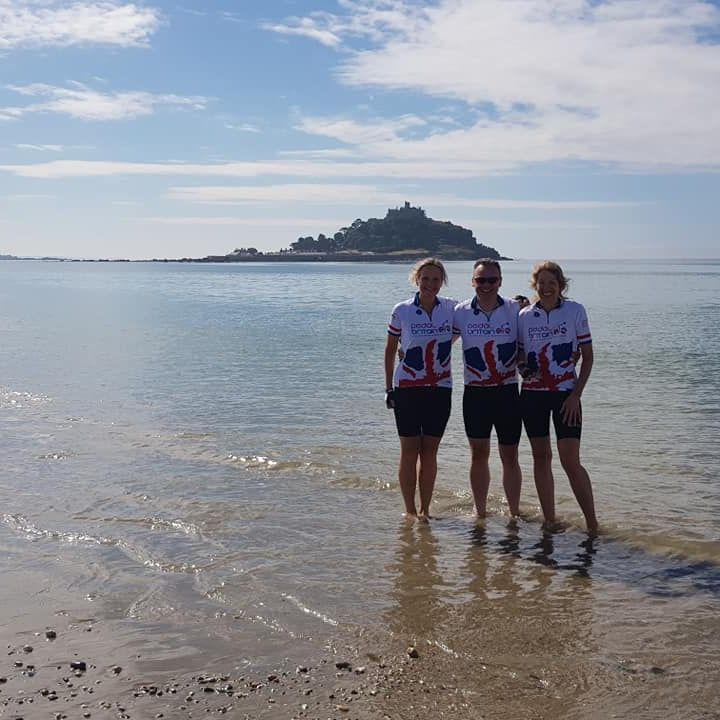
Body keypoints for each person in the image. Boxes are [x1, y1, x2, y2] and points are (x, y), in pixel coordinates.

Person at [517, 261, 598, 534]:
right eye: (542, 283)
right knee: (541, 458)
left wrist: (576, 395)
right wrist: (524, 369)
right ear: (535, 285)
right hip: (532, 397)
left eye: (552, 282)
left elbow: (587, 357)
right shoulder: (524, 316)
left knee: (570, 461)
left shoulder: (575, 311)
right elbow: (518, 355)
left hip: (566, 396)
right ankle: (549, 521)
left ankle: (592, 524)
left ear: (561, 285)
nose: (547, 287)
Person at [384, 258, 455, 521]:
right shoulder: (401, 310)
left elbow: (476, 315)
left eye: (436, 279)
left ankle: (426, 510)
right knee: (409, 451)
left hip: (440, 389)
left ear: (442, 282)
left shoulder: (451, 308)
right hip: (407, 390)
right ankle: (410, 510)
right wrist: (388, 387)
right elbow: (391, 350)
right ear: (417, 279)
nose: (430, 284)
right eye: (425, 278)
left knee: (430, 453)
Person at [453, 259, 522, 520]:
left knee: (510, 456)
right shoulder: (460, 311)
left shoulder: (516, 310)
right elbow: (439, 337)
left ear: (500, 282)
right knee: (479, 455)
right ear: (472, 282)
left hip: (507, 393)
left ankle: (514, 514)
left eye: (492, 280)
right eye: (481, 280)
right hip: (475, 394)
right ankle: (479, 512)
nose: (486, 285)